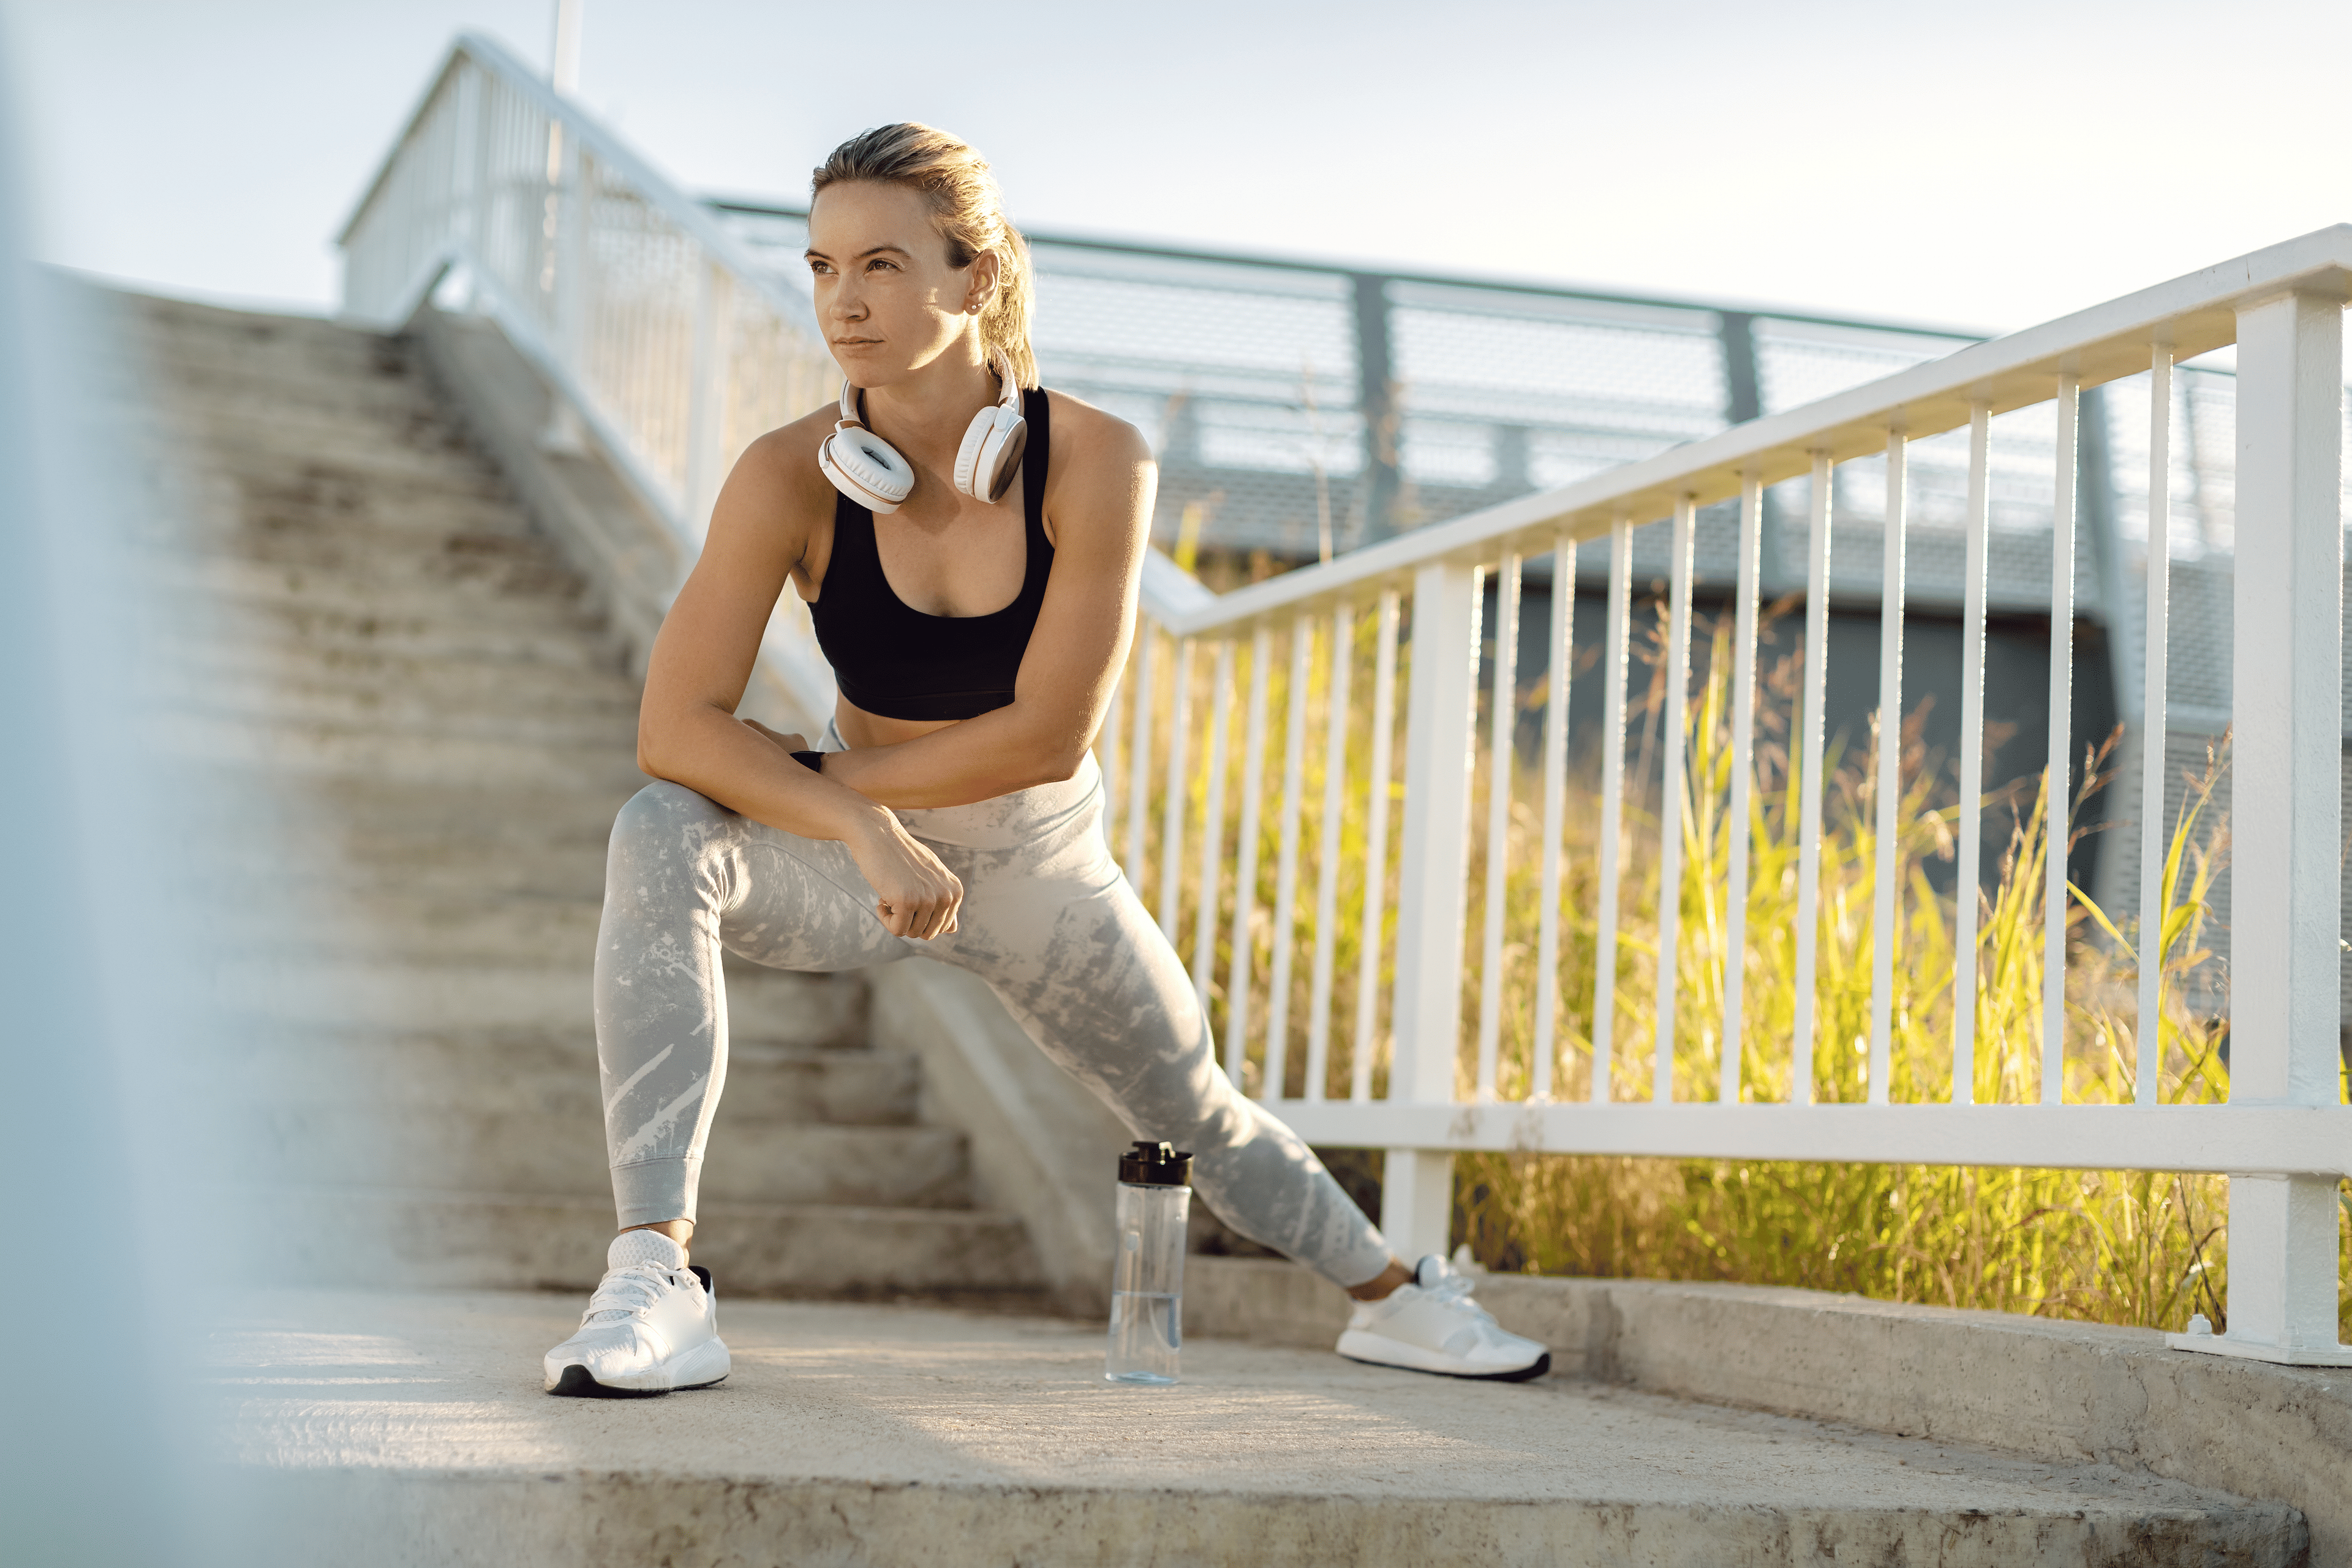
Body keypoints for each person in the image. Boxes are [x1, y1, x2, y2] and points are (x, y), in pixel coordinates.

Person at [540, 123, 1548, 1397]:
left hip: (1040, 868)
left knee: (1196, 1109)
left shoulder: (1097, 459)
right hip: (863, 861)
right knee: (660, 826)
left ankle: (1396, 1298)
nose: (843, 300)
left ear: (974, 277)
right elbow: (673, 730)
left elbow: (1046, 731)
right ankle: (656, 1276)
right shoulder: (790, 475)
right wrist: (857, 830)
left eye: (886, 265)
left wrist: (823, 787)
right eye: (823, 265)